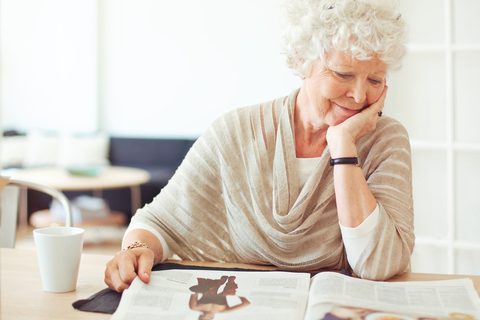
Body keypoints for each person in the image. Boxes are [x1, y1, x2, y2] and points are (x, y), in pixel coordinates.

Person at [104, 0, 414, 293]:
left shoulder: (386, 139)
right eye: (343, 74)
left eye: (375, 80)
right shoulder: (236, 131)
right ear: (303, 61)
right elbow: (159, 222)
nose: (359, 97)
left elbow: (378, 264)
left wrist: (343, 145)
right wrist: (136, 250)